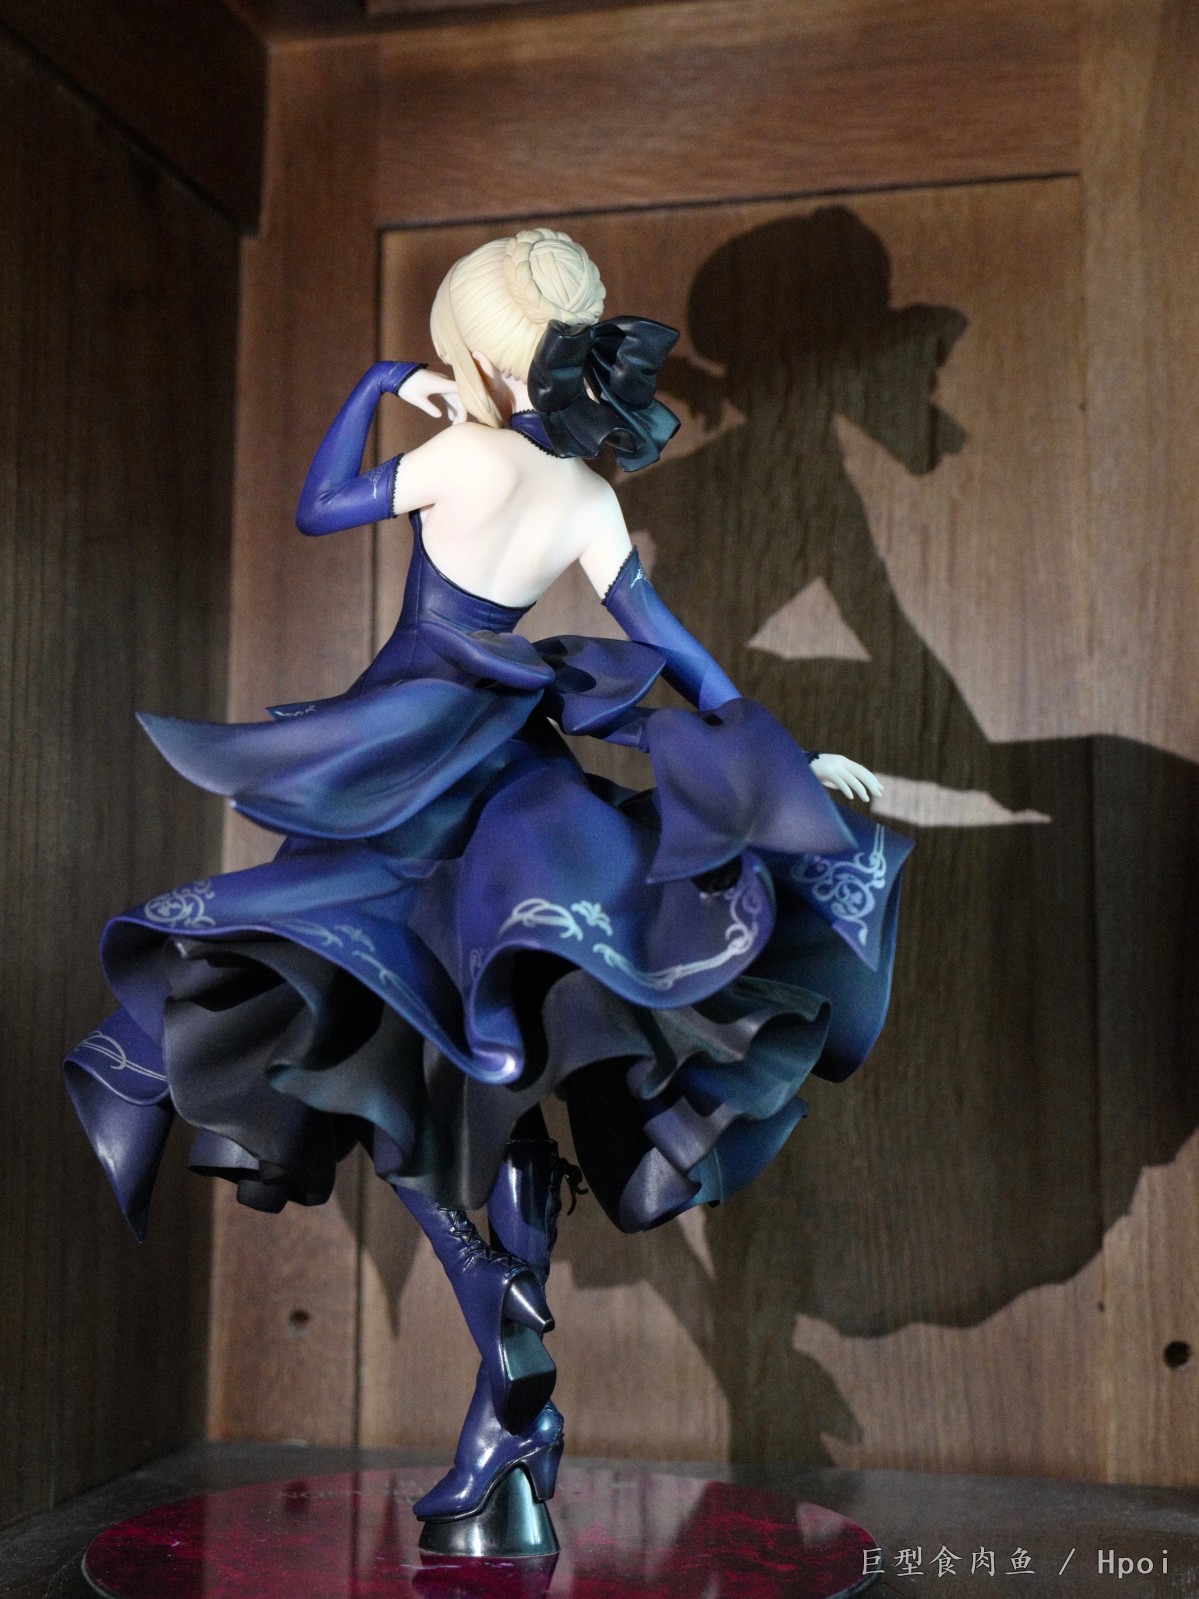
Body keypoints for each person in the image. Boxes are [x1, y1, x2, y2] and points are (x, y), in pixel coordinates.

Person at [64, 228, 911, 1554]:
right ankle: (507, 1385)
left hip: (397, 760)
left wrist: (377, 386)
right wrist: (788, 761)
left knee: (350, 1030)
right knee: (473, 1051)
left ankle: (494, 1314)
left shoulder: (459, 458)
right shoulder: (585, 497)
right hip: (512, 778)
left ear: (478, 350)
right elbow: (681, 655)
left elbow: (321, 506)